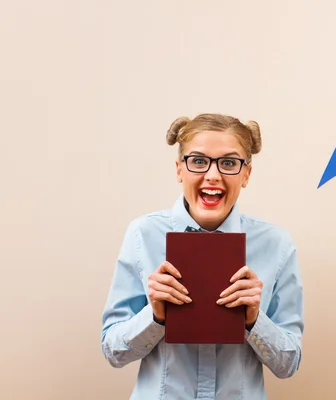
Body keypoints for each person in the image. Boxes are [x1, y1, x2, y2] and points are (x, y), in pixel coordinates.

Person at [100, 113, 305, 400]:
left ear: (246, 174)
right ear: (179, 169)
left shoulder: (276, 244)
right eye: (198, 161)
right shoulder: (142, 234)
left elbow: (288, 364)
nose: (213, 175)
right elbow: (113, 351)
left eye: (229, 163)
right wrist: (155, 316)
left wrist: (254, 320)